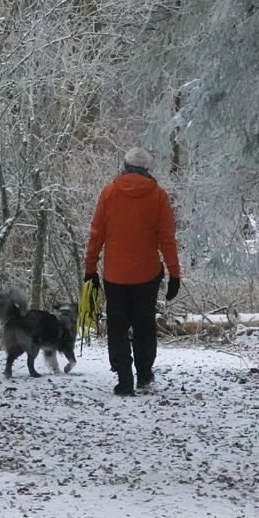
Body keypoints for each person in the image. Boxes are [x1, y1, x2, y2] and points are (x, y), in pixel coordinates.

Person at [84, 147, 180, 396]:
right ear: (147, 169)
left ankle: (124, 378)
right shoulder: (158, 196)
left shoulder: (109, 193)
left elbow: (96, 235)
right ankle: (144, 373)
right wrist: (174, 274)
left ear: (124, 166)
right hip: (147, 275)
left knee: (116, 327)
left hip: (115, 275)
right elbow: (167, 239)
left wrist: (90, 269)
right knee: (144, 325)